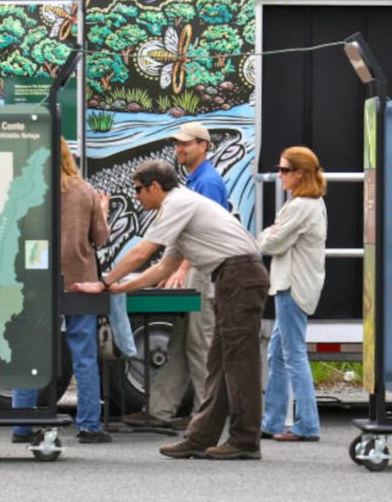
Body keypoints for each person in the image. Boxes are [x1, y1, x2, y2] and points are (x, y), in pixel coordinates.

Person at [73, 160, 269, 460]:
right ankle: (200, 437)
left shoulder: (178, 202)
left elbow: (143, 252)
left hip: (239, 276)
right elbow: (165, 266)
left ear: (155, 186)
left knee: (239, 363)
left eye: (138, 190)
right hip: (233, 276)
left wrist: (104, 282)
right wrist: (118, 288)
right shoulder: (180, 209)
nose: (136, 196)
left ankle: (245, 441)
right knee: (217, 363)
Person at [123, 122, 226, 429]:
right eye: (178, 144)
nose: (180, 149)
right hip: (194, 269)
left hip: (202, 272)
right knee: (180, 344)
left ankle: (205, 417)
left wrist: (182, 270)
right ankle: (158, 410)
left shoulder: (208, 183)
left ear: (204, 146)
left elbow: (207, 237)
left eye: (187, 144)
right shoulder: (193, 180)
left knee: (199, 345)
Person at [12, 140, 113, 444]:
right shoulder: (85, 191)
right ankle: (89, 426)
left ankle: (21, 425)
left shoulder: (29, 189)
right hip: (79, 281)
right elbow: (100, 237)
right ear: (70, 157)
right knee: (84, 355)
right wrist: (103, 210)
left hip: (37, 281)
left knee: (30, 351)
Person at [259, 147, 327, 442]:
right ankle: (272, 421)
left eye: (285, 170)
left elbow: (270, 245)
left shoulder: (300, 206)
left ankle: (307, 425)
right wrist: (272, 233)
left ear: (301, 174)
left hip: (292, 285)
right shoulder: (312, 203)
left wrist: (267, 234)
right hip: (296, 283)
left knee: (293, 354)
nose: (280, 175)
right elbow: (275, 239)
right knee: (279, 353)